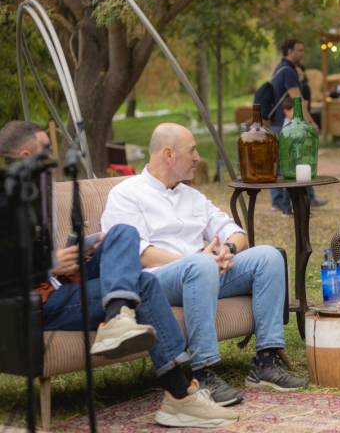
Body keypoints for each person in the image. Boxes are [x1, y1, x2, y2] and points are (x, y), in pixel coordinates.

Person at [0, 120, 239, 428]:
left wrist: (86, 246)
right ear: (24, 155)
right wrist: (47, 265)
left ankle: (117, 315)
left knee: (121, 233)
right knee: (145, 284)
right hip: (39, 303)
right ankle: (181, 394)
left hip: (65, 282)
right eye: (46, 150)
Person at [101, 123, 308, 397]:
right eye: (192, 150)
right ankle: (204, 373)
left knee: (267, 257)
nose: (198, 157)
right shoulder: (127, 194)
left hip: (204, 274)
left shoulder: (192, 196)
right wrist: (196, 260)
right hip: (158, 282)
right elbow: (138, 254)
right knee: (199, 266)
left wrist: (228, 251)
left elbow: (235, 231)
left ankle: (265, 362)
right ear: (169, 154)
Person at [269, 39, 325, 213]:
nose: (302, 54)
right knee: (290, 162)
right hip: (284, 124)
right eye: (299, 50)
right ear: (290, 52)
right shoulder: (288, 71)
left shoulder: (280, 69)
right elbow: (297, 100)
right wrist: (311, 122)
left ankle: (296, 199)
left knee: (284, 162)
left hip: (279, 123)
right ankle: (283, 202)